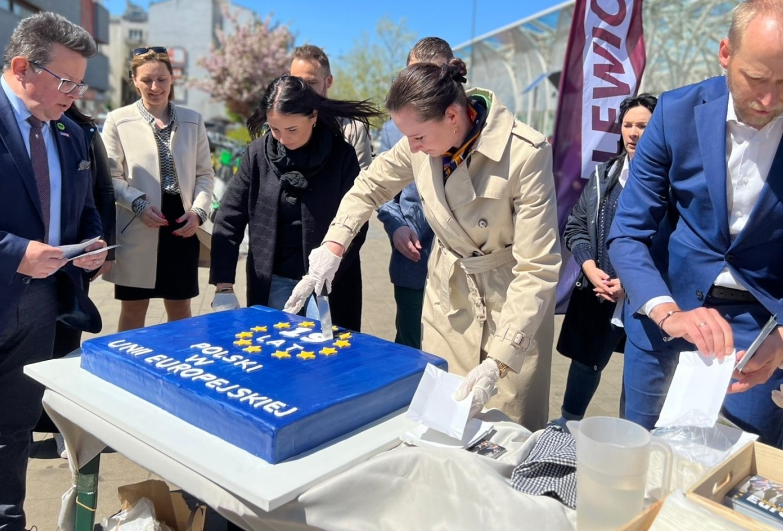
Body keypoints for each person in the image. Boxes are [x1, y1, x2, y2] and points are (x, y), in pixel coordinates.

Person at [608, 0, 783, 446]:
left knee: (746, 459)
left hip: (762, 327)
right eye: (755, 78)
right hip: (668, 312)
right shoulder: (675, 114)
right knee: (637, 449)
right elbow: (629, 232)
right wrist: (666, 312)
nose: (769, 99)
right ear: (725, 53)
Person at [285, 62, 561, 430]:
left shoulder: (526, 153)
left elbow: (537, 267)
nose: (413, 148)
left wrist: (499, 361)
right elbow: (369, 186)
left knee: (506, 430)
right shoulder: (419, 142)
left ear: (452, 116)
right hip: (449, 296)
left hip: (512, 303)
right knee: (440, 421)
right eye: (408, 138)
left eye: (418, 137)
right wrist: (333, 247)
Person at [0, 12, 107, 531]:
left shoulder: (70, 133)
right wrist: (14, 252)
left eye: (80, 84)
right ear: (22, 67)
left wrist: (90, 244)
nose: (75, 95)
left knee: (13, 432)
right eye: (66, 81)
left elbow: (84, 209)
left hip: (40, 310)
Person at [209, 75, 379, 330]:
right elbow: (229, 218)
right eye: (274, 129)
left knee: (326, 351)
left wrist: (327, 269)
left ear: (313, 117)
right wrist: (223, 286)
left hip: (328, 281)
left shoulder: (341, 155)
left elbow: (357, 221)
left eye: (292, 130)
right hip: (273, 280)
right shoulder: (256, 155)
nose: (283, 139)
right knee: (274, 349)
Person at [555, 94, 657, 422]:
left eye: (643, 125)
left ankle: (633, 437)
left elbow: (674, 245)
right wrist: (590, 268)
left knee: (641, 373)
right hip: (598, 293)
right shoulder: (604, 176)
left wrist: (633, 284)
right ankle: (567, 427)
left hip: (648, 301)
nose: (633, 133)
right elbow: (576, 226)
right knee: (586, 364)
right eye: (628, 125)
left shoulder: (673, 182)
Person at [102, 47, 214, 331]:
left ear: (173, 78)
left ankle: (179, 357)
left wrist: (199, 212)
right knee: (133, 308)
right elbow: (110, 177)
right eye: (147, 80)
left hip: (182, 223)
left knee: (180, 307)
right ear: (134, 80)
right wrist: (137, 203)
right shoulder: (118, 120)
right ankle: (128, 358)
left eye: (162, 79)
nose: (155, 87)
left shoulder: (193, 120)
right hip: (137, 220)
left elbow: (204, 174)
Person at [32, 102, 116, 459]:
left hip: (72, 263)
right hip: (19, 265)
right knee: (9, 353)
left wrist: (103, 247)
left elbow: (101, 192)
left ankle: (62, 428)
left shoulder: (82, 131)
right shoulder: (13, 128)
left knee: (65, 344)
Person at [376, 37, 453, 348]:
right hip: (413, 260)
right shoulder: (393, 130)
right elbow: (380, 189)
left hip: (459, 273)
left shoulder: (473, 128)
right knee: (409, 347)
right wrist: (396, 226)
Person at [290, 44, 373, 167]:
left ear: (328, 81)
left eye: (311, 83)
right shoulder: (278, 125)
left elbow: (363, 178)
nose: (302, 89)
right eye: (295, 82)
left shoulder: (352, 129)